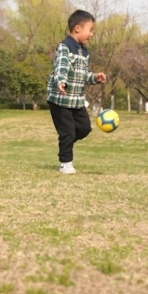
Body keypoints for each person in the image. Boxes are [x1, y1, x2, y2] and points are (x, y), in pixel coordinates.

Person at [47, 10, 106, 174]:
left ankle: (66, 141)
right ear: (78, 28)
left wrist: (95, 77)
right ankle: (65, 163)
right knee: (67, 132)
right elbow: (62, 66)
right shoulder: (65, 47)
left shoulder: (84, 51)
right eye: (90, 29)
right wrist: (61, 81)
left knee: (84, 128)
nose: (92, 34)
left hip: (76, 100)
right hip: (60, 100)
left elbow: (82, 74)